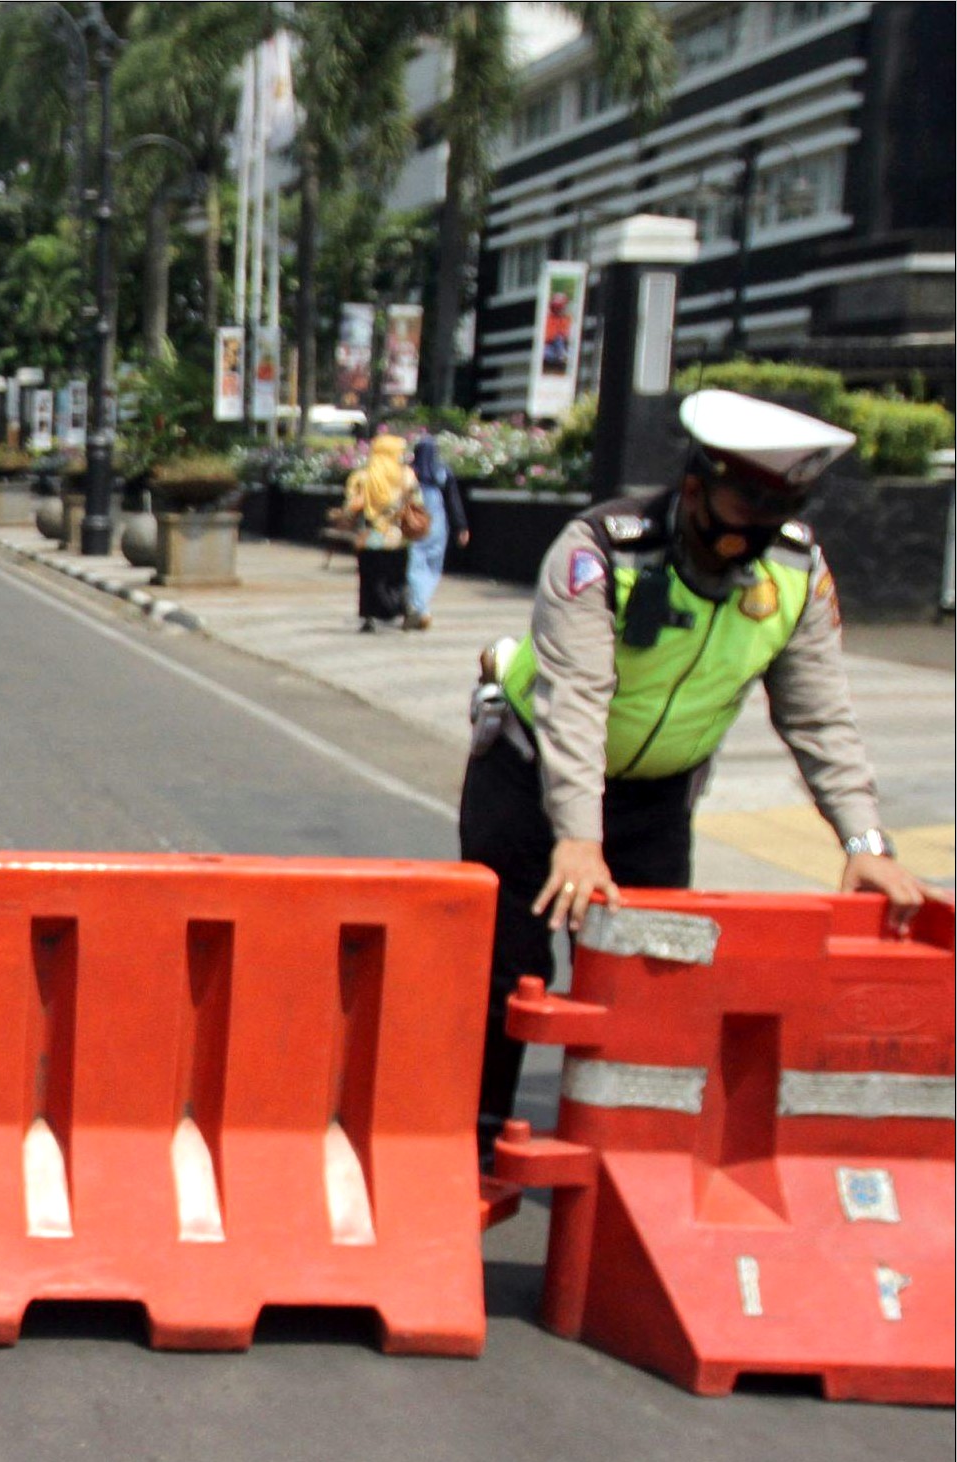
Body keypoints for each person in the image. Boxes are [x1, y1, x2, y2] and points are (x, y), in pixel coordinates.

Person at [460, 387, 948, 1151]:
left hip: (656, 802)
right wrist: (578, 838)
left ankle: (621, 1152)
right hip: (528, 783)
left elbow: (819, 717)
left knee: (652, 975)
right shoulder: (599, 553)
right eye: (744, 510)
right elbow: (577, 702)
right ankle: (476, 1138)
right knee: (507, 968)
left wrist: (866, 845)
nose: (755, 535)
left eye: (776, 513)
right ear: (694, 490)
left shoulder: (794, 573)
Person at [342, 433, 417, 632]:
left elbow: (350, 508)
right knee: (398, 577)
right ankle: (405, 610)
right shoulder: (407, 475)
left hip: (370, 537)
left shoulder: (362, 477)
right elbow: (418, 503)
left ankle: (370, 618)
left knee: (370, 579)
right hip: (398, 538)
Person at [403, 430, 470, 631]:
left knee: (415, 564)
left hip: (415, 524)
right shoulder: (443, 472)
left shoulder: (410, 473)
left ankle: (419, 607)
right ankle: (421, 606)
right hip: (439, 525)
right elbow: (454, 502)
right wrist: (462, 527)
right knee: (433, 565)